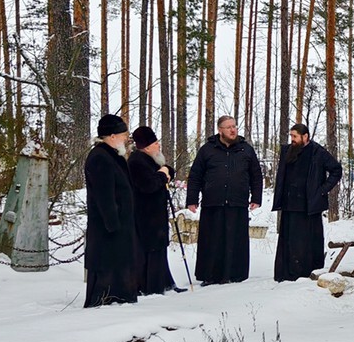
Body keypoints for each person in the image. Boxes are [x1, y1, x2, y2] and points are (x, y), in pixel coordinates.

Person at [186, 115, 263, 284]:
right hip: (213, 202)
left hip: (238, 202)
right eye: (228, 127)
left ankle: (235, 274)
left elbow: (256, 176)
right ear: (220, 130)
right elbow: (195, 176)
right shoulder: (207, 149)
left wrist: (256, 197)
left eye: (234, 126)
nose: (233, 129)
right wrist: (192, 199)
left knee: (235, 240)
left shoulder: (246, 150)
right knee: (212, 240)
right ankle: (210, 275)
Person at [271, 124, 342, 282]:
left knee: (307, 243)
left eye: (295, 136)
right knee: (289, 241)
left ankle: (307, 274)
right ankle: (286, 274)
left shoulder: (318, 152)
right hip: (289, 204)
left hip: (309, 206)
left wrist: (322, 190)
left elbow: (337, 170)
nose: (292, 140)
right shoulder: (288, 151)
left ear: (305, 136)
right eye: (291, 136)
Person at [84, 114, 140, 307]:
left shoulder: (112, 155)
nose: (127, 138)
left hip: (119, 226)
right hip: (108, 229)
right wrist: (113, 224)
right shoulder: (100, 157)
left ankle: (120, 299)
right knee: (106, 272)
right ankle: (107, 302)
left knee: (120, 269)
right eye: (124, 134)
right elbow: (104, 195)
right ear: (112, 135)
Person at [128, 125, 186, 295]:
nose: (158, 145)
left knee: (159, 249)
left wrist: (166, 171)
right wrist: (162, 174)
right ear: (146, 146)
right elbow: (148, 185)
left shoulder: (149, 159)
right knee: (150, 251)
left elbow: (167, 170)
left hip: (155, 214)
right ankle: (150, 286)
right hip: (145, 215)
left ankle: (164, 282)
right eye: (155, 143)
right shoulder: (136, 162)